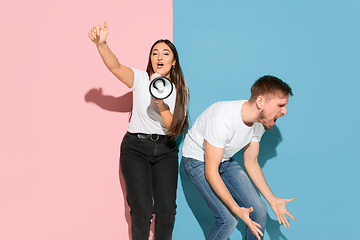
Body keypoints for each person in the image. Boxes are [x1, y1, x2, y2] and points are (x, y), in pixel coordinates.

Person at [88, 21, 189, 240]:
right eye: (155, 53)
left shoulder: (180, 90)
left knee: (167, 212)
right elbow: (116, 67)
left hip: (165, 150)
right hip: (136, 149)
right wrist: (102, 44)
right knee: (141, 211)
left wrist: (160, 103)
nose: (159, 57)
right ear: (151, 59)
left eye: (165, 53)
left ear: (173, 62)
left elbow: (174, 127)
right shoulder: (141, 79)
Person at [182, 75, 295, 240]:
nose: (285, 111)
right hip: (198, 160)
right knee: (228, 220)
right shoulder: (222, 119)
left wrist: (272, 200)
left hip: (224, 160)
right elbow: (211, 172)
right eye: (280, 105)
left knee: (260, 209)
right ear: (260, 102)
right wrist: (236, 208)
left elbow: (252, 163)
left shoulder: (259, 123)